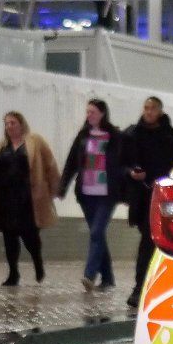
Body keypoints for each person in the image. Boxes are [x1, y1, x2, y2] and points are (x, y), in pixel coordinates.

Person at [117, 96, 173, 310]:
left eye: (152, 108)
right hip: (143, 196)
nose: (148, 112)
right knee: (148, 239)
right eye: (146, 108)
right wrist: (131, 173)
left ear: (160, 111)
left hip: (164, 197)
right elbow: (119, 164)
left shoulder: (171, 137)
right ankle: (141, 287)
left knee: (151, 240)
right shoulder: (132, 134)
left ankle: (144, 287)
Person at [0, 110, 59, 286]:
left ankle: (38, 262)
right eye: (6, 123)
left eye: (13, 122)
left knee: (30, 236)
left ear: (21, 124)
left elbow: (50, 164)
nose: (9, 126)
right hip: (5, 199)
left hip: (28, 198)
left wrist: (55, 188)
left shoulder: (35, 142)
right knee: (9, 237)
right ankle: (13, 273)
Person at [58, 99, 119, 291]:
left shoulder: (114, 136)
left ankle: (89, 275)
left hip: (107, 194)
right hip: (86, 193)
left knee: (96, 232)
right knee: (98, 235)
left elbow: (122, 161)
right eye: (87, 112)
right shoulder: (83, 136)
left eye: (92, 112)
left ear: (102, 113)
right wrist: (62, 187)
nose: (89, 115)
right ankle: (108, 278)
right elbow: (71, 163)